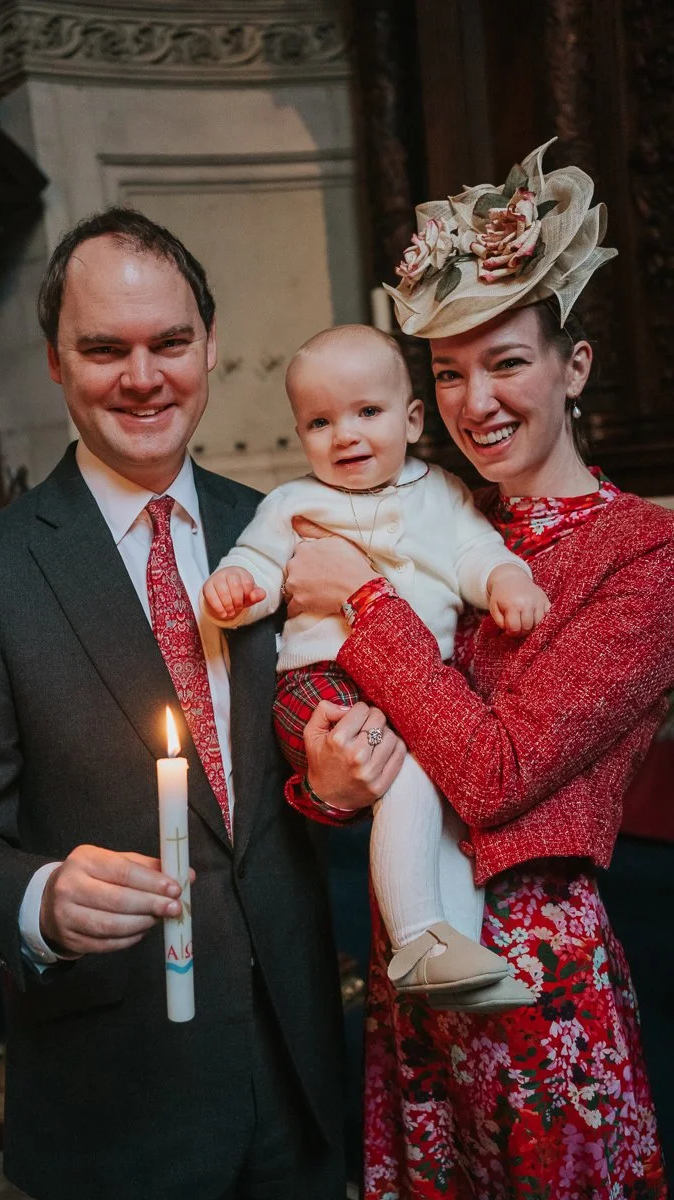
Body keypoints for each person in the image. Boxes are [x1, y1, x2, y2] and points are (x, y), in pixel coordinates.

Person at [0, 207, 396, 1200]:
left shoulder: (281, 527)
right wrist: (39, 898)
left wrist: (339, 782)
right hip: (118, 1086)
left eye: (169, 342)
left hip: (299, 1056)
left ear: (209, 347)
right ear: (54, 359)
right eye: (103, 348)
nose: (142, 376)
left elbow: (295, 779)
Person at [283, 141, 673, 1196]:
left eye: (505, 362)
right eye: (447, 375)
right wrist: (324, 774)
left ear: (572, 367)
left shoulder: (644, 556)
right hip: (406, 956)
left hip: (533, 970)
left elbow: (496, 771)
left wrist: (358, 599)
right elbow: (348, 705)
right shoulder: (438, 517)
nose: (473, 401)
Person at [201, 323, 547, 1011]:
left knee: (450, 806)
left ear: (412, 419)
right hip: (321, 685)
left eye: (367, 413)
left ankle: (459, 957)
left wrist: (507, 581)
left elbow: (475, 554)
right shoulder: (294, 504)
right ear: (300, 436)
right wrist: (237, 589)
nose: (345, 436)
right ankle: (418, 938)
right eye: (320, 422)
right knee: (415, 763)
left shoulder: (443, 492)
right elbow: (261, 565)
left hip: (417, 683)